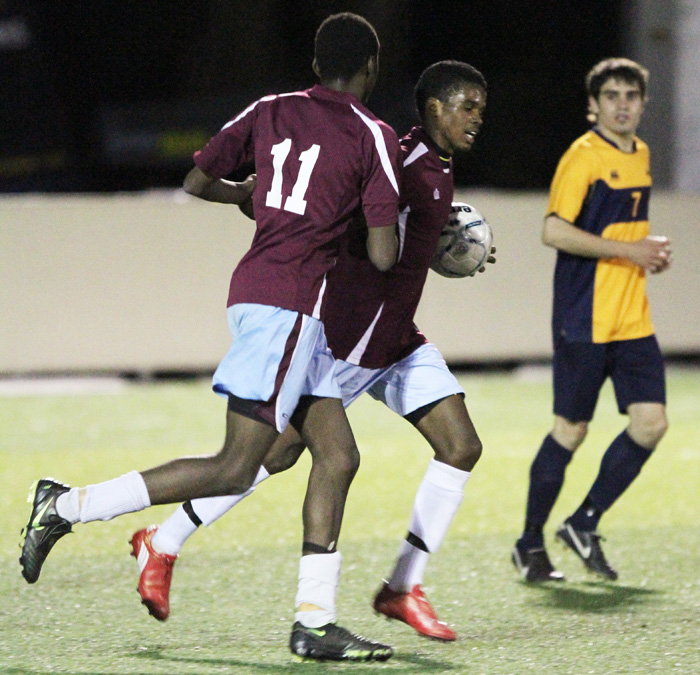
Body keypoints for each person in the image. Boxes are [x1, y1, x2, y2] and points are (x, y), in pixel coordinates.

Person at [20, 12, 402, 662]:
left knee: (335, 456)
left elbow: (197, 181)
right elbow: (385, 254)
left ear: (315, 66)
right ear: (371, 67)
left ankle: (314, 620)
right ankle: (69, 504)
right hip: (289, 305)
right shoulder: (374, 134)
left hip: (263, 293)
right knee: (235, 464)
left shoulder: (271, 108)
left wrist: (248, 197)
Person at [130, 60, 490, 642]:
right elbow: (355, 224)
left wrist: (452, 249)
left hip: (397, 341)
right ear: (434, 108)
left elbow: (410, 238)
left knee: (462, 446)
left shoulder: (438, 166)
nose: (478, 117)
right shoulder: (399, 157)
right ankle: (163, 541)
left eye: (481, 107)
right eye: (466, 106)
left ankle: (402, 587)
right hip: (349, 337)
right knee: (272, 456)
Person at [511, 58, 672, 583]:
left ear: (643, 104)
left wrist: (645, 255)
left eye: (631, 95)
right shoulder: (581, 158)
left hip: (633, 319)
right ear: (593, 105)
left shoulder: (642, 154)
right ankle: (530, 543)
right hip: (584, 317)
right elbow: (554, 231)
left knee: (651, 424)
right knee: (571, 430)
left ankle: (584, 521)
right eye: (612, 96)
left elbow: (624, 238)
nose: (622, 104)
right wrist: (629, 252)